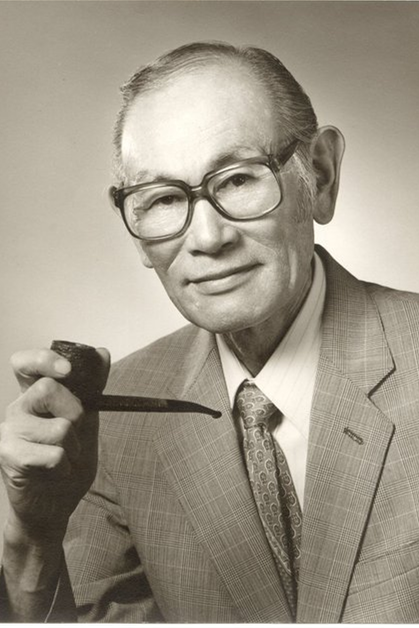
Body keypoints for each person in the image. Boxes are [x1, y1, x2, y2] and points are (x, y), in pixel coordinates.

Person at [1, 41, 419, 623]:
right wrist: (34, 539)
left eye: (239, 180)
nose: (207, 238)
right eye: (165, 198)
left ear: (320, 177)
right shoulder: (111, 424)